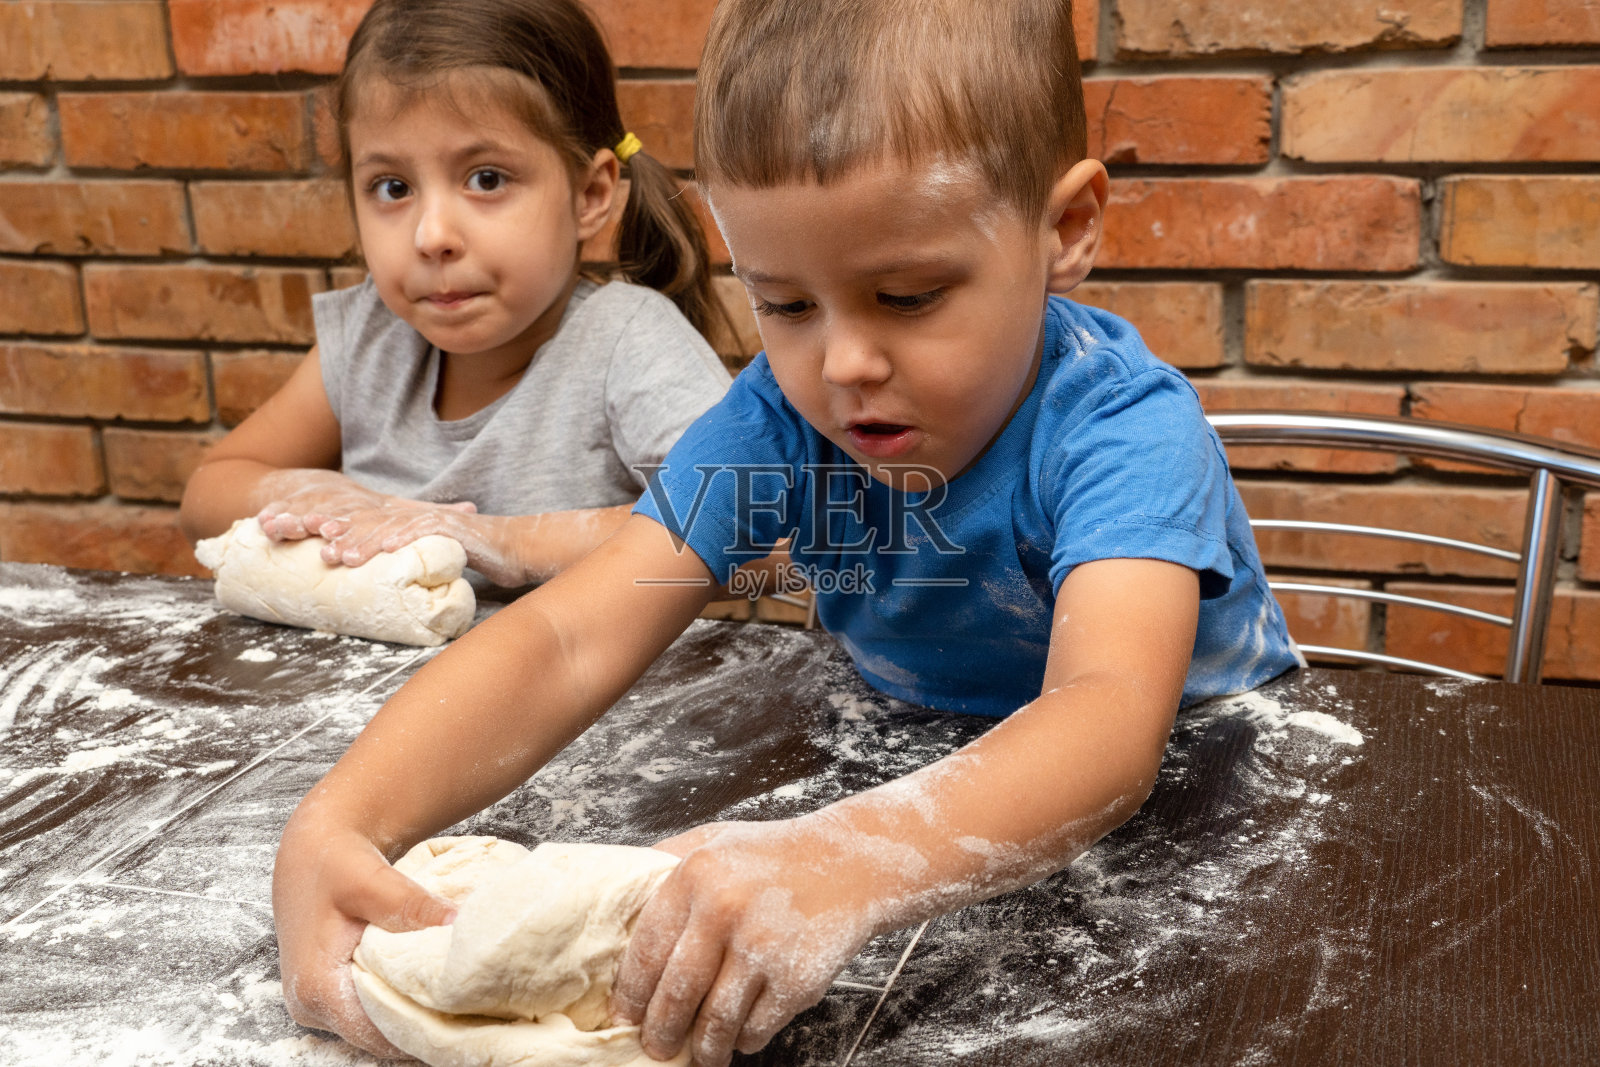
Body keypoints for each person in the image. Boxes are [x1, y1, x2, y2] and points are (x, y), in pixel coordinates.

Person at [270, 0, 1305, 1062]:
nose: (841, 364)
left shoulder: (1120, 429)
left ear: (1065, 229)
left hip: (1196, 811)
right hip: (908, 764)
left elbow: (1107, 717)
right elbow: (573, 633)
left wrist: (846, 858)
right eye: (786, 304)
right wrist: (343, 817)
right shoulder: (775, 420)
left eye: (906, 294)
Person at [178, 0, 732, 591]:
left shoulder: (624, 340)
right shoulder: (372, 338)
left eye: (486, 179)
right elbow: (207, 493)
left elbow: (768, 526)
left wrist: (506, 542)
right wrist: (319, 495)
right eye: (392, 188)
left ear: (589, 194)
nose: (431, 236)